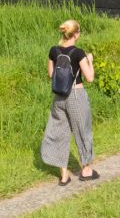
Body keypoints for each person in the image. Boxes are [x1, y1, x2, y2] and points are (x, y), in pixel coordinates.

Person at [41, 19, 98, 186]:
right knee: (82, 130)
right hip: (76, 95)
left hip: (59, 98)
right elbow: (90, 78)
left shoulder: (54, 51)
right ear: (76, 34)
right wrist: (90, 62)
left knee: (59, 133)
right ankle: (86, 170)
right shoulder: (78, 53)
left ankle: (64, 176)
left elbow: (51, 75)